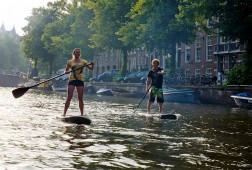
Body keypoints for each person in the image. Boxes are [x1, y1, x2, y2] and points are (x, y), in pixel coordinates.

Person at [63, 48, 94, 116]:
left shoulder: (84, 62)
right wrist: (66, 72)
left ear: (80, 53)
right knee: (69, 97)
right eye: (76, 52)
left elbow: (91, 69)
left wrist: (92, 65)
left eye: (79, 52)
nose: (78, 53)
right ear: (74, 53)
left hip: (80, 81)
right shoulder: (70, 62)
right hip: (72, 80)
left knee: (80, 97)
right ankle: (64, 113)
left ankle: (82, 114)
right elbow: (66, 71)